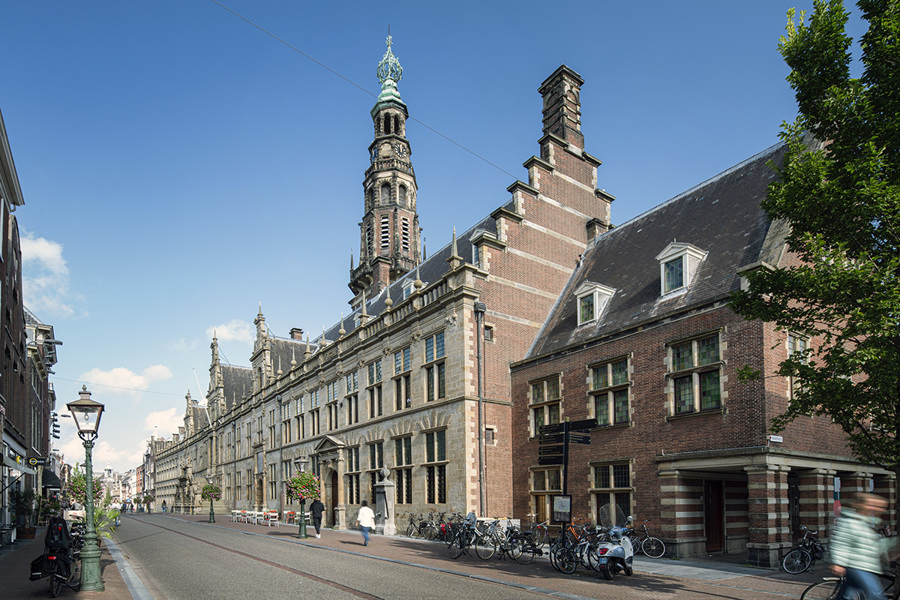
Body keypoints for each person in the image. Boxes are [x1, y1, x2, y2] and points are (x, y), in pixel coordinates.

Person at [830, 492, 891, 600]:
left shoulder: (865, 523)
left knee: (845, 597)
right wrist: (838, 563)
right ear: (860, 505)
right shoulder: (849, 522)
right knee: (876, 596)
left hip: (865, 566)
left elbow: (872, 545)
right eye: (871, 505)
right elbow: (841, 542)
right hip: (857, 567)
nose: (877, 509)